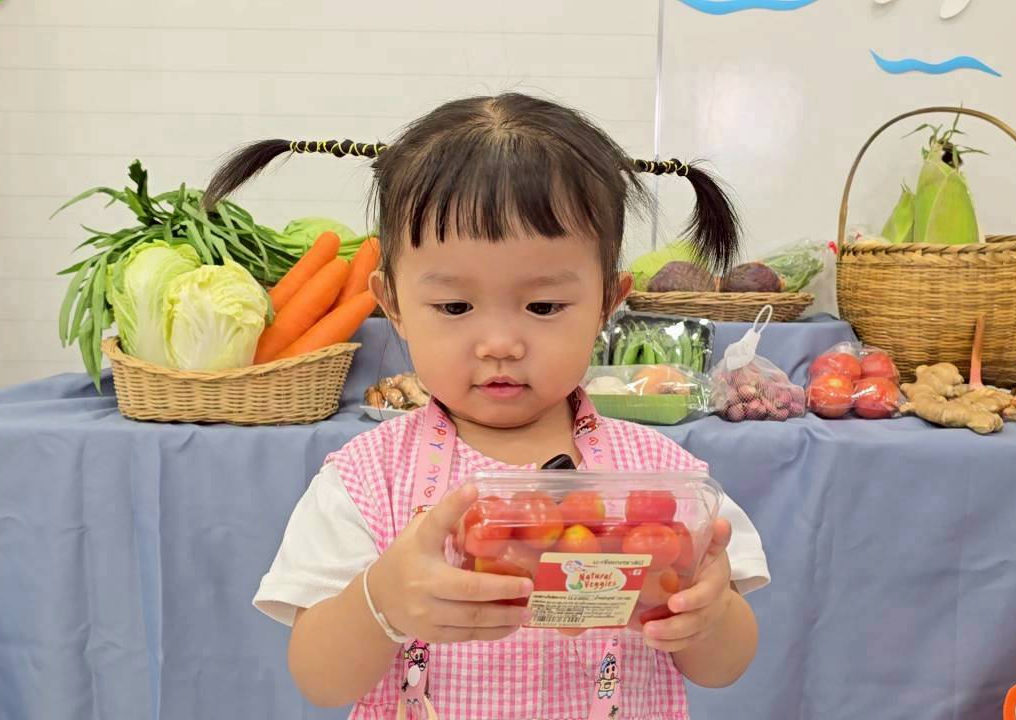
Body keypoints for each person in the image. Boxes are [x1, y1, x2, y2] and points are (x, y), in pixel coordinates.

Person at [206, 92, 770, 719]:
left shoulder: (664, 482)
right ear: (393, 306)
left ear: (607, 305)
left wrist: (708, 616)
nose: (500, 343)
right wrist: (382, 600)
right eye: (454, 307)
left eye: (544, 306)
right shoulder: (367, 480)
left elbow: (725, 667)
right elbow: (320, 681)